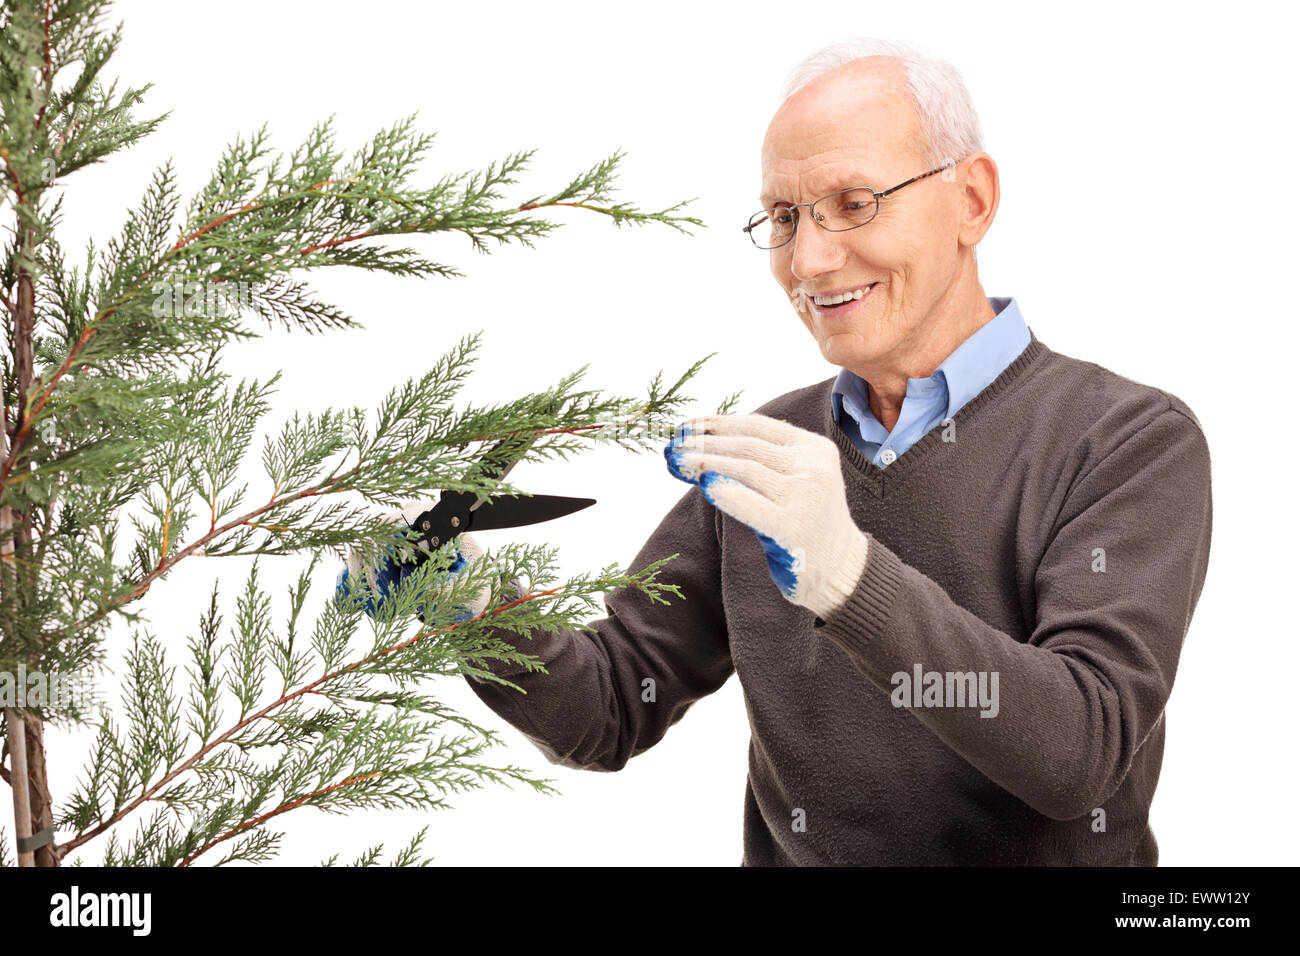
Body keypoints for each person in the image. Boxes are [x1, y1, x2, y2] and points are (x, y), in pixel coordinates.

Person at [351, 38, 1213, 866]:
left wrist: (847, 577)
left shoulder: (1129, 442)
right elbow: (613, 704)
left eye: (855, 203)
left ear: (973, 201)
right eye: (783, 217)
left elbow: (1084, 750)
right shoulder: (774, 452)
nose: (809, 258)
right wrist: (470, 607)